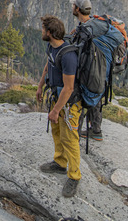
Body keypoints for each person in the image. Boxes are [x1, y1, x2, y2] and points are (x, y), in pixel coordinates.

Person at [35, 15, 82, 197]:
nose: (41, 31)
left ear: (50, 33)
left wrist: (56, 110)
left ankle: (74, 176)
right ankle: (60, 163)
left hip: (69, 104)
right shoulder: (52, 47)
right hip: (56, 96)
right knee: (56, 132)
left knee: (69, 138)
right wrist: (40, 86)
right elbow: (49, 64)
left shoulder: (68, 56)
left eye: (43, 29)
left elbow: (69, 88)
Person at [71, 0, 106, 141]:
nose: (72, 8)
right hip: (101, 71)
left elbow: (78, 52)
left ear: (78, 9)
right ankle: (96, 130)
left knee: (78, 97)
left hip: (86, 71)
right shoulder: (96, 25)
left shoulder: (84, 30)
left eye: (74, 6)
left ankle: (75, 133)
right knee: (96, 97)